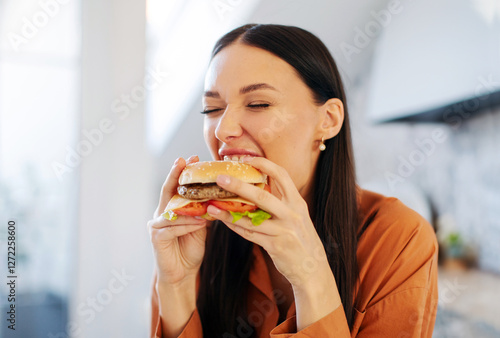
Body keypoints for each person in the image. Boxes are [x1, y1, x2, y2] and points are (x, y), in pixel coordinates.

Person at [148, 24, 438, 338]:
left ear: (328, 120)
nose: (223, 129)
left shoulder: (399, 240)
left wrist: (308, 275)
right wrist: (175, 286)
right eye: (213, 108)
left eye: (258, 104)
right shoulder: (197, 238)